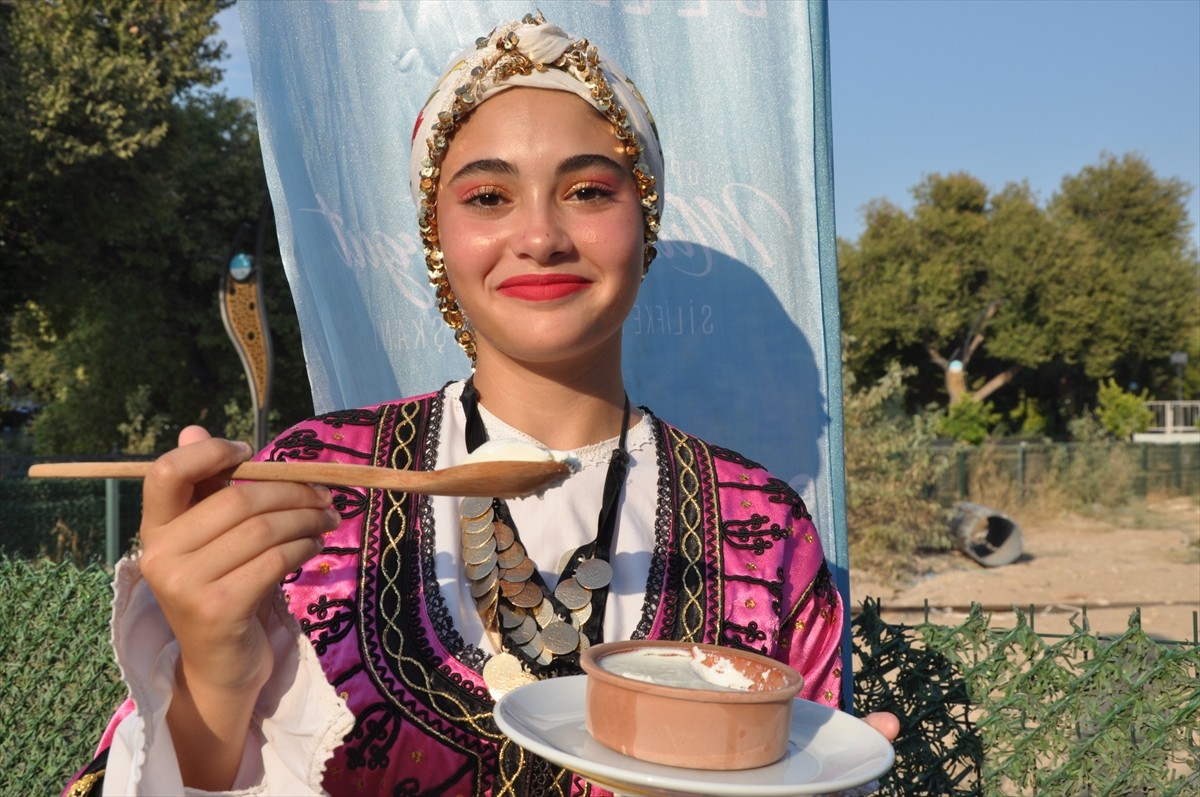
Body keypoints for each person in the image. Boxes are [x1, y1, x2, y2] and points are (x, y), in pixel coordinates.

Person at [64, 14, 898, 797]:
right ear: (438, 238)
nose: (540, 236)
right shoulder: (311, 489)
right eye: (489, 197)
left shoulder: (761, 527)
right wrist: (212, 676)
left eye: (589, 191)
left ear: (644, 224)